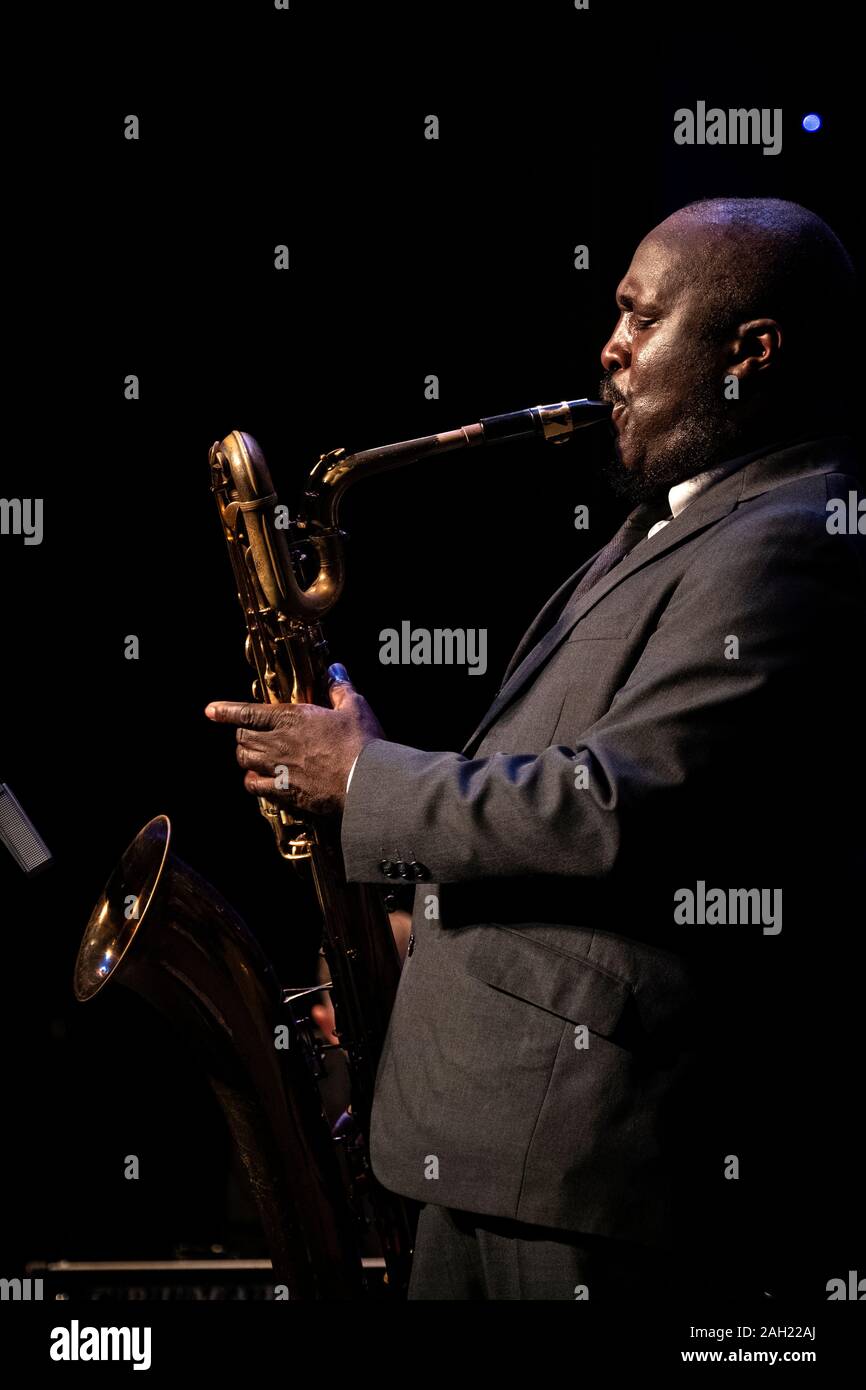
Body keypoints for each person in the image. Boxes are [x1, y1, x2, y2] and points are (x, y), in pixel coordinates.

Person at [205, 198, 864, 1301]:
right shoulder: (663, 527)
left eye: (639, 318)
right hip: (493, 1138)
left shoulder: (796, 534)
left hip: (581, 1155)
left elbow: (622, 807)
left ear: (751, 352)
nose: (607, 348)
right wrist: (416, 935)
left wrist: (361, 776)